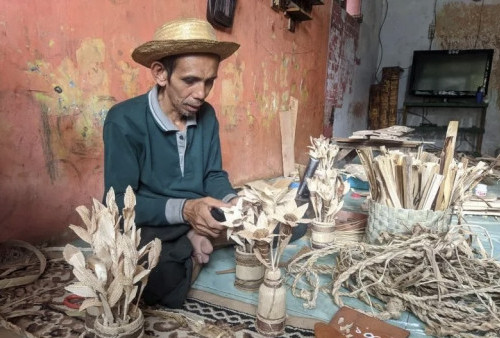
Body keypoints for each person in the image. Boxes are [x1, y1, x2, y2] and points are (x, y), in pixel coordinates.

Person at [103, 18, 240, 308]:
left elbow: (213, 174)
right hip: (152, 221)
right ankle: (196, 240)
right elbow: (117, 203)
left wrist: (233, 202)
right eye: (190, 80)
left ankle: (197, 237)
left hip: (193, 213)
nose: (201, 94)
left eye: (209, 81)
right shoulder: (124, 120)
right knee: (149, 279)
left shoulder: (207, 115)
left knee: (279, 223)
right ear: (160, 73)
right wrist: (187, 211)